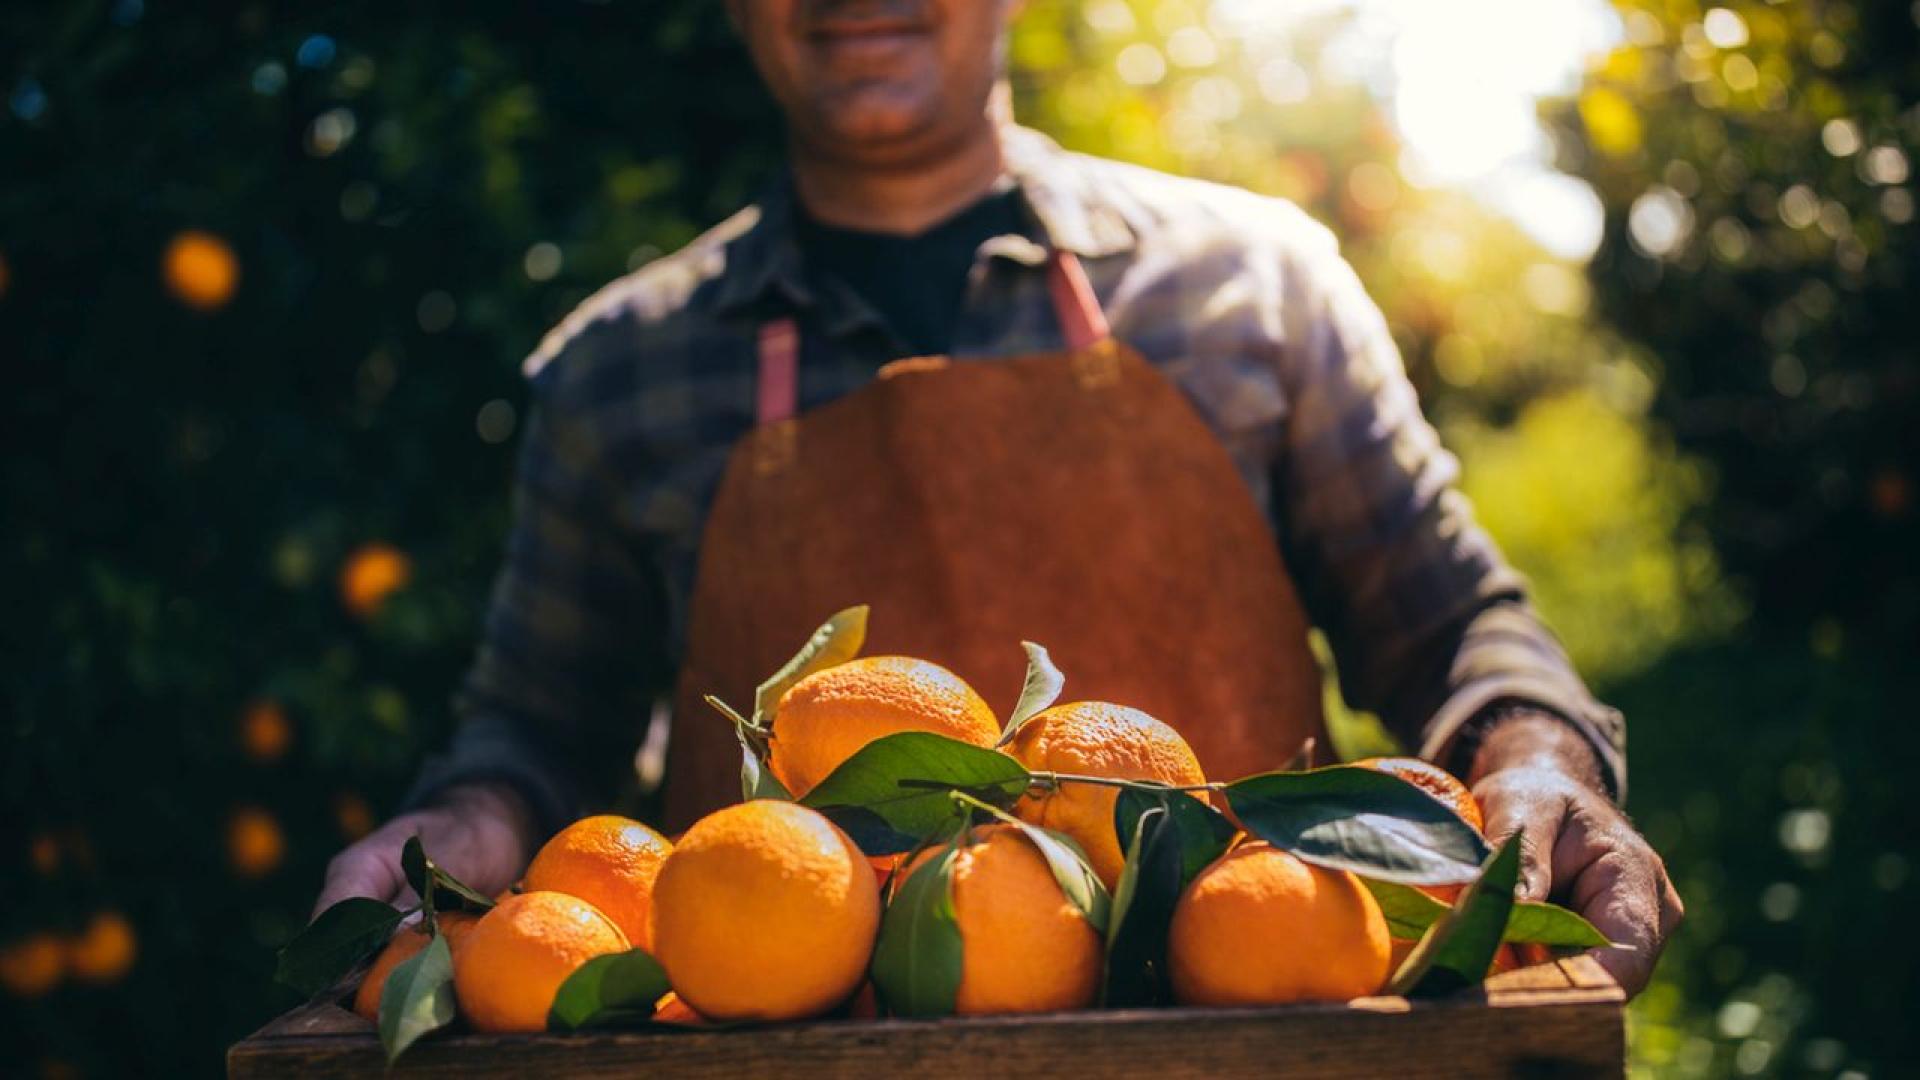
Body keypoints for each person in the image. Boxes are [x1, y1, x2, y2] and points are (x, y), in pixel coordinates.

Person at [314, 0, 1681, 995]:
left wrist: (1537, 760)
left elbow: (1451, 624)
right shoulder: (620, 374)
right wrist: (463, 834)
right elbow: (539, 725)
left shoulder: (1254, 290)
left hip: (1262, 1025)